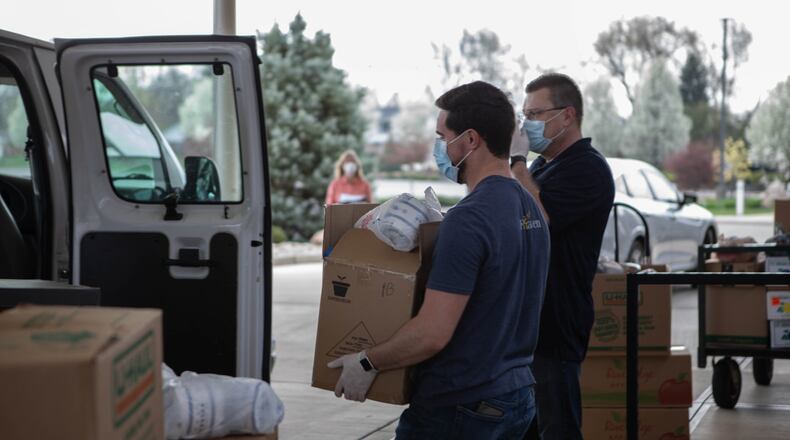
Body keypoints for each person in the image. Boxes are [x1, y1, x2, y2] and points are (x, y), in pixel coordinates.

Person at [327, 80, 550, 439]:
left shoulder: (469, 219)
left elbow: (432, 333)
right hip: (515, 397)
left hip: (461, 405)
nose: (440, 148)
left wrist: (368, 361)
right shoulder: (530, 207)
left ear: (471, 140)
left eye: (443, 136)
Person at [509, 73, 615, 440]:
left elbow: (542, 218)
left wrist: (517, 162)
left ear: (567, 115)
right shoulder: (545, 166)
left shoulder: (587, 167)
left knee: (558, 428)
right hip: (531, 325)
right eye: (524, 116)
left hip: (557, 323)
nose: (527, 125)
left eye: (536, 115)